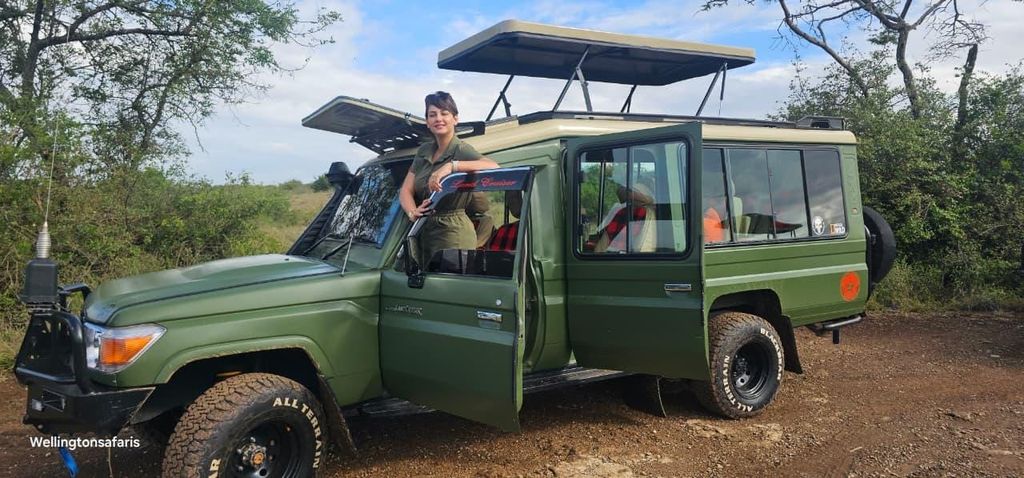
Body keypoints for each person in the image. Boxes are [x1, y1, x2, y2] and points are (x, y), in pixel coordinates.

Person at [399, 91, 499, 264]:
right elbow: (406, 190)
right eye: (432, 115)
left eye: (444, 113)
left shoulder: (461, 149)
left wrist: (451, 166)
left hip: (453, 231)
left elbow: (493, 167)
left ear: (455, 119)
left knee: (448, 285)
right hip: (424, 230)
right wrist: (412, 212)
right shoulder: (423, 152)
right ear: (427, 123)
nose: (438, 118)